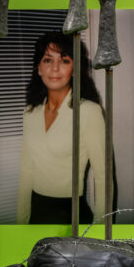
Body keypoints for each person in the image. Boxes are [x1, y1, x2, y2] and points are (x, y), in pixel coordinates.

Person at [17, 31, 107, 225]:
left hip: (71, 215)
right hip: (37, 214)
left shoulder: (89, 112)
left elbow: (103, 177)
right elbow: (26, 171)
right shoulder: (30, 112)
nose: (55, 68)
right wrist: (20, 225)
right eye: (48, 60)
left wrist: (100, 235)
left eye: (64, 60)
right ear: (39, 68)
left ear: (74, 69)